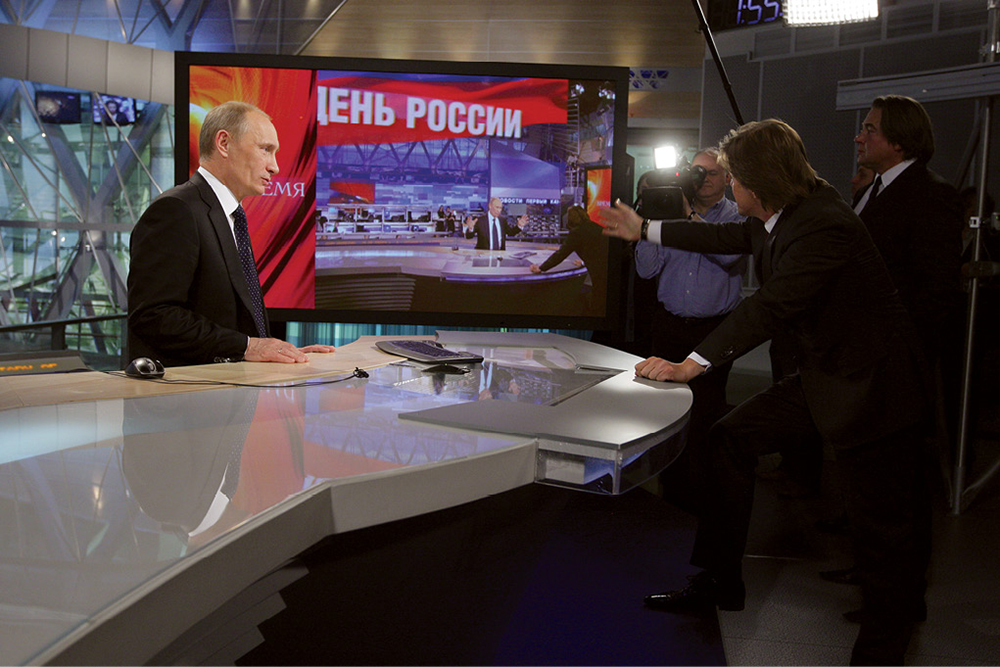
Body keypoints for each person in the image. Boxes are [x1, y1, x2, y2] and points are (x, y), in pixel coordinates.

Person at [601, 119, 931, 666]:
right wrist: (645, 230)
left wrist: (693, 364)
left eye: (731, 178)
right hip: (829, 373)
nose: (725, 187)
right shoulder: (780, 214)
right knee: (730, 438)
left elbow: (771, 305)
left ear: (755, 183)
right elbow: (721, 235)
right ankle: (720, 580)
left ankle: (883, 651)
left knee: (883, 532)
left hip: (876, 388)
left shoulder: (823, 224)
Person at [128, 100, 336, 367]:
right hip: (187, 400)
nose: (275, 167)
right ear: (224, 143)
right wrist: (248, 346)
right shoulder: (176, 210)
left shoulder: (230, 214)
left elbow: (228, 321)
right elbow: (153, 316)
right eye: (265, 150)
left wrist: (279, 351)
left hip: (229, 395)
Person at [634, 149, 746, 489]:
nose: (705, 179)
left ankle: (704, 485)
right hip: (669, 325)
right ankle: (671, 484)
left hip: (713, 329)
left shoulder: (738, 217)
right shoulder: (671, 214)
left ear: (728, 178)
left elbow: (728, 255)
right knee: (664, 411)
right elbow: (645, 269)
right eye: (698, 172)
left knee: (707, 412)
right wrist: (656, 221)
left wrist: (688, 217)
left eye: (712, 172)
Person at [529, 205, 608, 314]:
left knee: (596, 305)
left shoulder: (576, 232)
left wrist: (542, 268)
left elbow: (561, 254)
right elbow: (597, 250)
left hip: (600, 274)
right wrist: (584, 262)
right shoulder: (596, 227)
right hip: (608, 269)